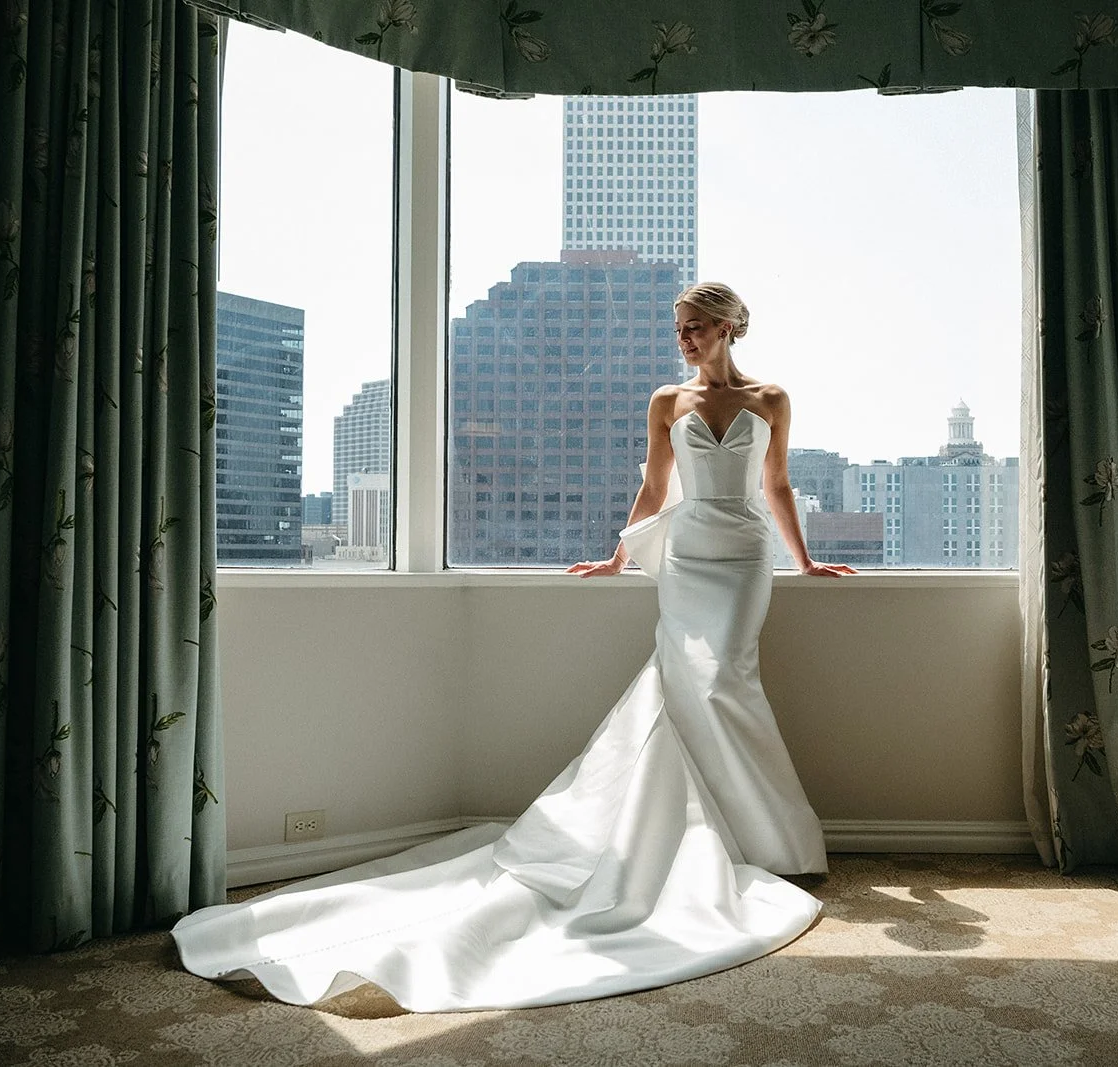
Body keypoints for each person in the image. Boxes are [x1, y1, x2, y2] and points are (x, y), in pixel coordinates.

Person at [172, 283, 851, 1012]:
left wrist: (804, 560)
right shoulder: (666, 402)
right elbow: (655, 487)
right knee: (695, 682)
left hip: (745, 556)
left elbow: (776, 484)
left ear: (725, 329)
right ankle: (738, 839)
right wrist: (619, 558)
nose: (682, 339)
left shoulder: (770, 398)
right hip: (686, 560)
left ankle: (760, 837)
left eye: (693, 328)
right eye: (678, 328)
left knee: (729, 679)